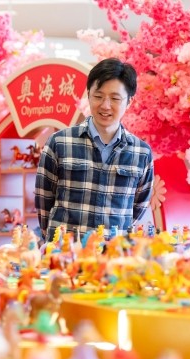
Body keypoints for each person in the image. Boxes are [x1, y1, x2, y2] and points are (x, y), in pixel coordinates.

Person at [34, 57, 154, 239]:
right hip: (65, 250)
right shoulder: (59, 142)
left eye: (115, 98)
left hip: (114, 251)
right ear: (88, 94)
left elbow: (139, 206)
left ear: (129, 102)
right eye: (98, 96)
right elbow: (44, 199)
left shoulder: (141, 152)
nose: (105, 105)